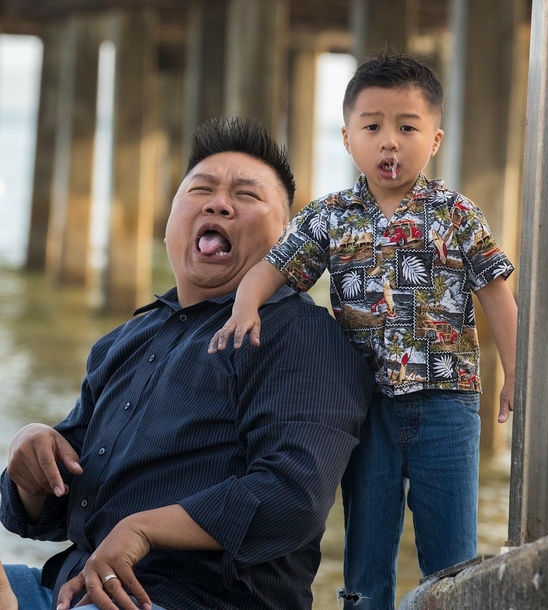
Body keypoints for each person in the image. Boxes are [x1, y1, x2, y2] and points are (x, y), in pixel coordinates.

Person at [0, 117, 372, 610]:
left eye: (246, 195)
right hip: (70, 589)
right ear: (169, 221)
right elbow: (60, 507)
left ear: (287, 239)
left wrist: (144, 529)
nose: (218, 202)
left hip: (195, 598)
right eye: (201, 190)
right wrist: (28, 467)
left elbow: (291, 496)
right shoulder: (126, 341)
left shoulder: (295, 332)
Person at [208, 54, 518, 609]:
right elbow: (274, 267)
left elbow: (496, 291)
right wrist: (246, 305)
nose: (389, 142)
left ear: (436, 138)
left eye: (407, 127)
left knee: (451, 556)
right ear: (348, 139)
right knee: (367, 550)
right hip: (362, 405)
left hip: (446, 402)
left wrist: (516, 372)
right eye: (372, 127)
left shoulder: (456, 213)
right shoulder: (331, 215)